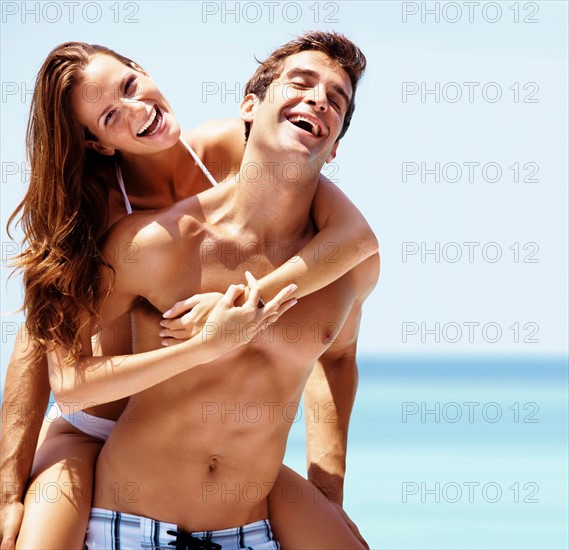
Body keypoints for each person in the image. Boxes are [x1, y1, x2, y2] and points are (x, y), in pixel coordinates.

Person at [0, 38, 376, 549]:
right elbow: (43, 346)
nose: (137, 110)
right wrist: (8, 491)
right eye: (110, 115)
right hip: (97, 427)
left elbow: (356, 239)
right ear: (97, 143)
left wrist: (241, 304)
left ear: (142, 68)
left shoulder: (233, 147)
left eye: (131, 85)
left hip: (230, 469)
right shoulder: (110, 222)